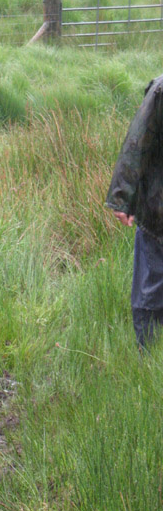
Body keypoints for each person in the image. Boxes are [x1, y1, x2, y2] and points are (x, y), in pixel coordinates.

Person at [106, 73, 163, 349]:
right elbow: (136, 142)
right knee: (150, 293)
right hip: (158, 215)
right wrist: (121, 198)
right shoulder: (160, 91)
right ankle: (148, 360)